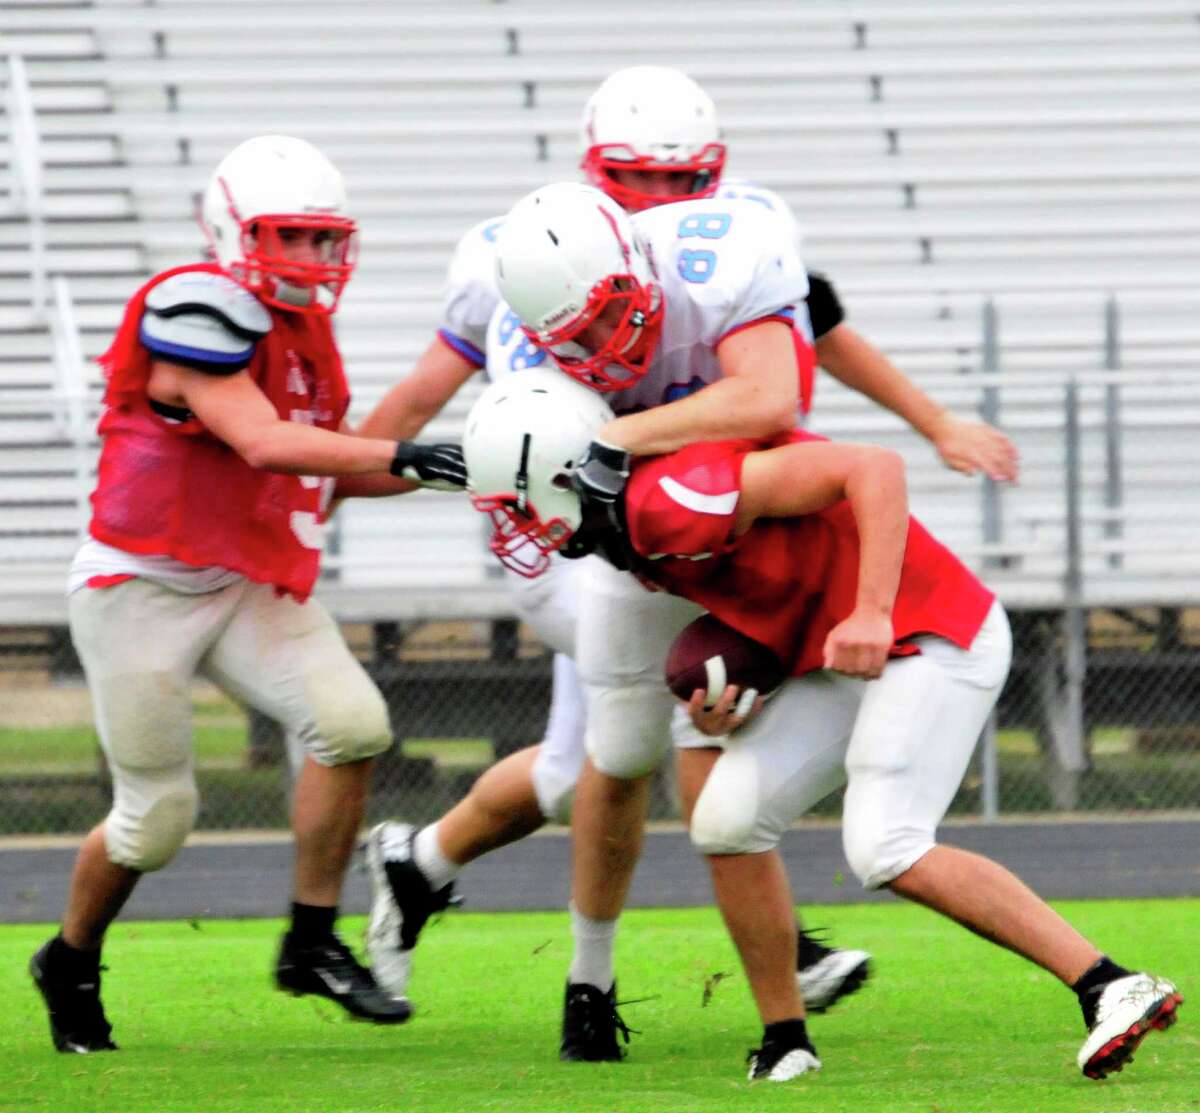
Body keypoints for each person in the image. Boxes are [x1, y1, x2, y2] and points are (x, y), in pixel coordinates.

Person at [362, 65, 1015, 1053]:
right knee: (608, 757)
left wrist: (931, 419)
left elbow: (785, 381)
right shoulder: (518, 291)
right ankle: (594, 974)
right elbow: (476, 430)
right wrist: (353, 467)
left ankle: (765, 967)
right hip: (618, 542)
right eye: (638, 176)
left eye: (682, 179)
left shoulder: (729, 245)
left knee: (664, 739)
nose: (663, 200)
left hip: (724, 511)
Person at [460, 366, 1184, 1084]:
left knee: (884, 844)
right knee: (725, 821)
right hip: (845, 654)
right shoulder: (620, 526)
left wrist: (871, 608)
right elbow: (785, 577)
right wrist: (741, 679)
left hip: (928, 632)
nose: (516, 524)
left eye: (516, 501)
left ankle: (1109, 982)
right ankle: (786, 1039)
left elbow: (872, 468)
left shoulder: (668, 495)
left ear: (556, 470)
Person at [27, 135, 469, 1054]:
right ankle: (69, 957)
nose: (311, 258)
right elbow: (265, 442)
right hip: (140, 583)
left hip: (239, 577)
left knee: (353, 723)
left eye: (321, 238)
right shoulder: (188, 309)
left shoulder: (303, 329)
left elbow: (335, 466)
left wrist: (482, 470)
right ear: (232, 231)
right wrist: (405, 452)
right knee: (156, 821)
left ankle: (310, 939)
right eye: (290, 236)